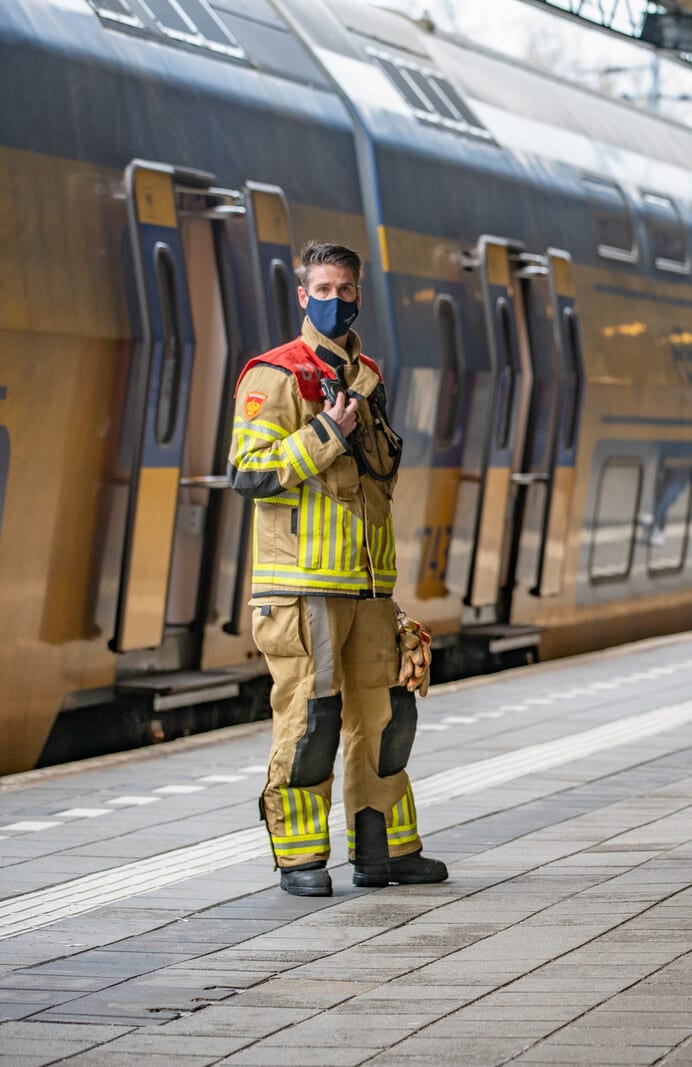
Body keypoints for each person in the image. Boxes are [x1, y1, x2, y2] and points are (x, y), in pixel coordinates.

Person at [229, 241, 447, 896]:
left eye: (344, 288)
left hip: (368, 584)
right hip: (302, 587)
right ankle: (300, 858)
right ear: (302, 295)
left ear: (358, 293)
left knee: (386, 717)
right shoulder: (273, 374)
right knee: (312, 721)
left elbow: (377, 478)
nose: (334, 300)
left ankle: (384, 850)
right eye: (321, 289)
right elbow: (250, 472)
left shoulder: (367, 377)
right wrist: (324, 432)